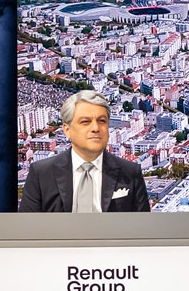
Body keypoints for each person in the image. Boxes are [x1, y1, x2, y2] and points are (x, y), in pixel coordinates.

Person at [19, 89, 151, 213]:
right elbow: (27, 227)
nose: (95, 128)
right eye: (85, 122)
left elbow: (143, 226)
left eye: (102, 121)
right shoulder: (41, 174)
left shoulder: (130, 173)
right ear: (67, 130)